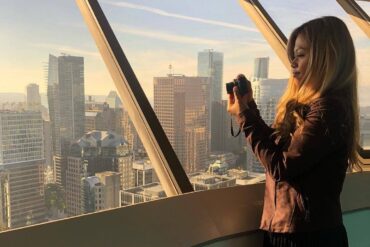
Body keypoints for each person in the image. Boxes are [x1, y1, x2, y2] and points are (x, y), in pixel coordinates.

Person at [227, 16, 361, 247]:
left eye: (301, 55)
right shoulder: (319, 107)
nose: (293, 63)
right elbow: (283, 151)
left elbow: (281, 165)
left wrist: (245, 116)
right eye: (293, 56)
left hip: (305, 237)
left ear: (326, 58)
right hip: (292, 230)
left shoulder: (329, 109)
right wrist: (249, 108)